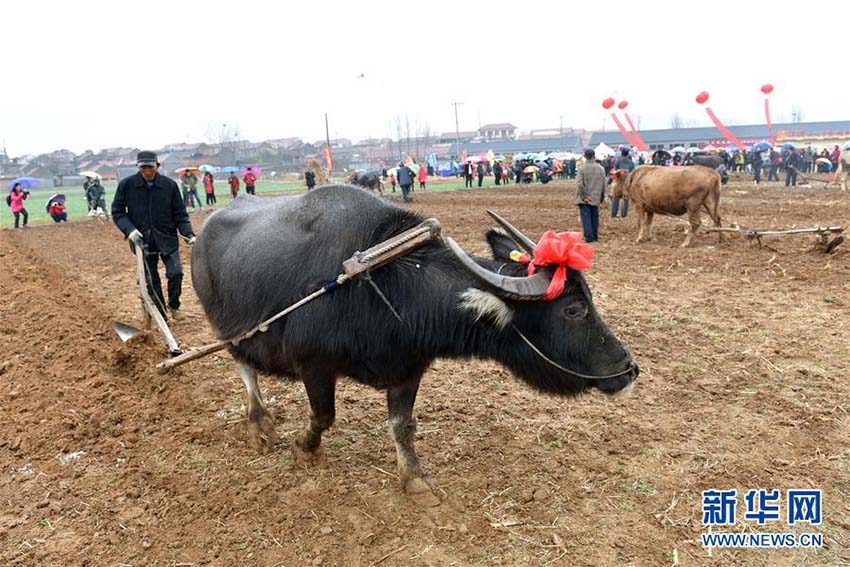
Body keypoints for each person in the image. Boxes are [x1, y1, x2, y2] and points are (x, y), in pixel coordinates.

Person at [111, 151, 197, 321]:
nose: (147, 171)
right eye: (143, 168)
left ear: (157, 166)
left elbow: (180, 214)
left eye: (150, 167)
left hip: (167, 237)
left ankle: (174, 305)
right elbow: (118, 212)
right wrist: (130, 230)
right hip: (141, 240)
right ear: (138, 167)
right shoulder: (127, 185)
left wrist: (188, 234)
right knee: (151, 279)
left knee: (176, 273)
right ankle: (161, 314)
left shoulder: (169, 186)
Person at [575, 149, 606, 243]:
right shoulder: (601, 169)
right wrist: (601, 197)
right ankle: (595, 236)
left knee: (586, 217)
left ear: (585, 156)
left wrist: (584, 196)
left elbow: (580, 184)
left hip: (584, 198)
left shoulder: (582, 168)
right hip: (596, 197)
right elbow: (603, 185)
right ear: (594, 156)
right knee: (594, 217)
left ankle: (589, 236)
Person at [611, 148, 635, 218]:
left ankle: (614, 214)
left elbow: (614, 171)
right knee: (626, 199)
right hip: (627, 182)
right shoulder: (631, 162)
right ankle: (624, 215)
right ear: (627, 154)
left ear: (621, 153)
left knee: (616, 198)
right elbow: (633, 172)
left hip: (618, 182)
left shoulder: (618, 161)